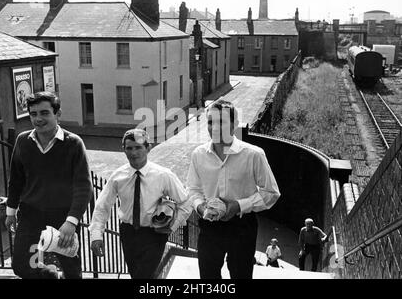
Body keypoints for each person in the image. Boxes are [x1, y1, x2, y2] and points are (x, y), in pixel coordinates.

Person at [187, 99, 280, 279]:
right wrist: (200, 207)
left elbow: (271, 193)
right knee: (208, 276)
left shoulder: (253, 154)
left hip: (242, 226)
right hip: (210, 226)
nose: (214, 127)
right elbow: (192, 189)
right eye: (210, 122)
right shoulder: (198, 154)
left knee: (241, 275)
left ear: (234, 124)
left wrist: (238, 206)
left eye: (221, 122)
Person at [5, 91, 93, 279]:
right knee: (22, 266)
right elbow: (16, 179)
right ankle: (51, 275)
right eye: (33, 114)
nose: (38, 119)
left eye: (44, 113)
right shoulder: (23, 141)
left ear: (57, 114)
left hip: (63, 218)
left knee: (71, 271)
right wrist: (10, 212)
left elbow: (84, 186)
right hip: (31, 215)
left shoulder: (73, 143)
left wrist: (71, 221)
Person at [89, 129, 192, 279]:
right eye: (129, 148)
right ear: (123, 150)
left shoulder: (163, 175)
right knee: (135, 274)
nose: (134, 152)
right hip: (128, 233)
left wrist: (171, 226)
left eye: (138, 147)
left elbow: (186, 202)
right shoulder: (118, 176)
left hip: (154, 234)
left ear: (148, 148)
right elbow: (101, 206)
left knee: (145, 275)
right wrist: (96, 235)